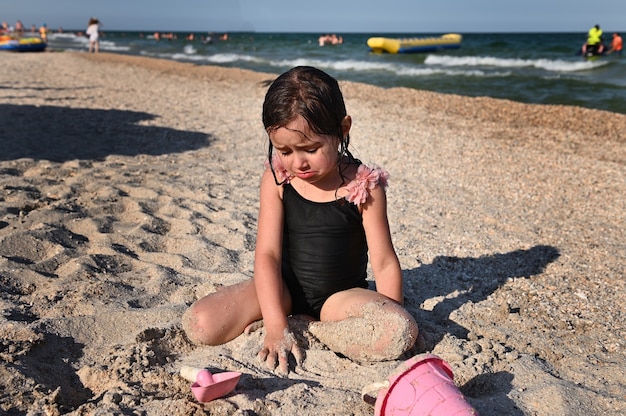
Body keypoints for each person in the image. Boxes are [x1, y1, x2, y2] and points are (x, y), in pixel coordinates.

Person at [182, 66, 419, 375]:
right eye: (285, 150)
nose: (298, 161)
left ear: (342, 130)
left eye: (311, 149)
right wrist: (276, 326)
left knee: (396, 330)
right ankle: (290, 320)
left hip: (340, 300)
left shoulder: (363, 186)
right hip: (282, 290)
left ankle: (314, 329)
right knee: (200, 325)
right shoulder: (278, 180)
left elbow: (385, 262)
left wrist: (388, 309)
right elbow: (267, 255)